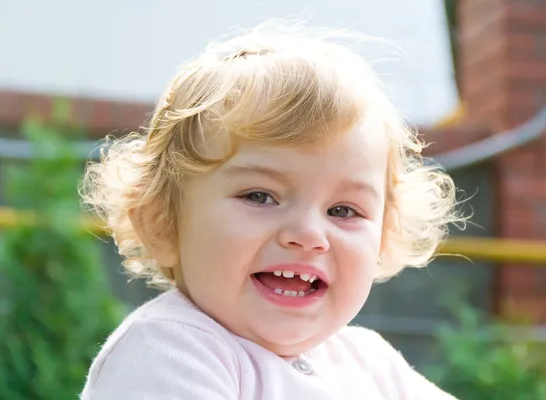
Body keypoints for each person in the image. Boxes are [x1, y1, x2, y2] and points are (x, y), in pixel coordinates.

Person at [79, 20, 462, 399]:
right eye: (260, 196)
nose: (309, 235)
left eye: (343, 210)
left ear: (384, 236)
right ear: (162, 222)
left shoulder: (371, 365)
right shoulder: (167, 350)